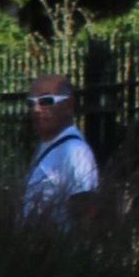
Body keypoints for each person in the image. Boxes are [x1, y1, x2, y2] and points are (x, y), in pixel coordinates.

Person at [20, 75, 98, 226]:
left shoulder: (75, 152)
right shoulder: (47, 146)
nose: (36, 109)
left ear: (69, 105)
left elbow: (86, 214)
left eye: (46, 101)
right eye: (31, 103)